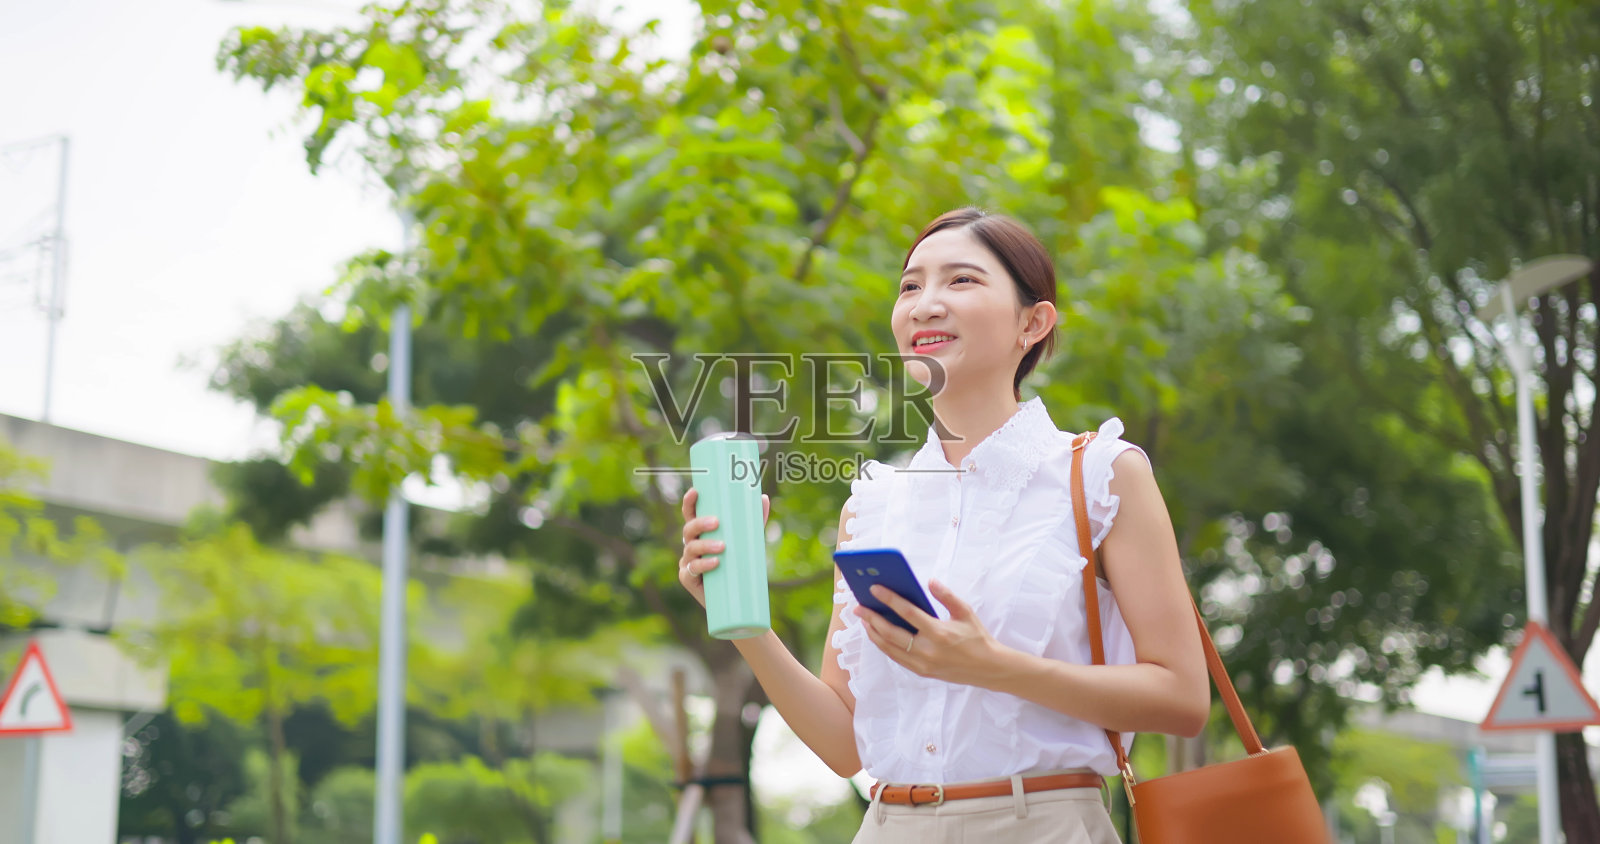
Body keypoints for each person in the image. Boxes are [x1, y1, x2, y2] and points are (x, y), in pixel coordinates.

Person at [677, 207, 1207, 842]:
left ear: (1033, 323)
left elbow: (1183, 699)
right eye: (910, 286)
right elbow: (845, 746)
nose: (925, 305)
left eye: (961, 280)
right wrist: (745, 622)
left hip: (1040, 827)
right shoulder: (872, 506)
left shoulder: (1100, 474)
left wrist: (993, 666)